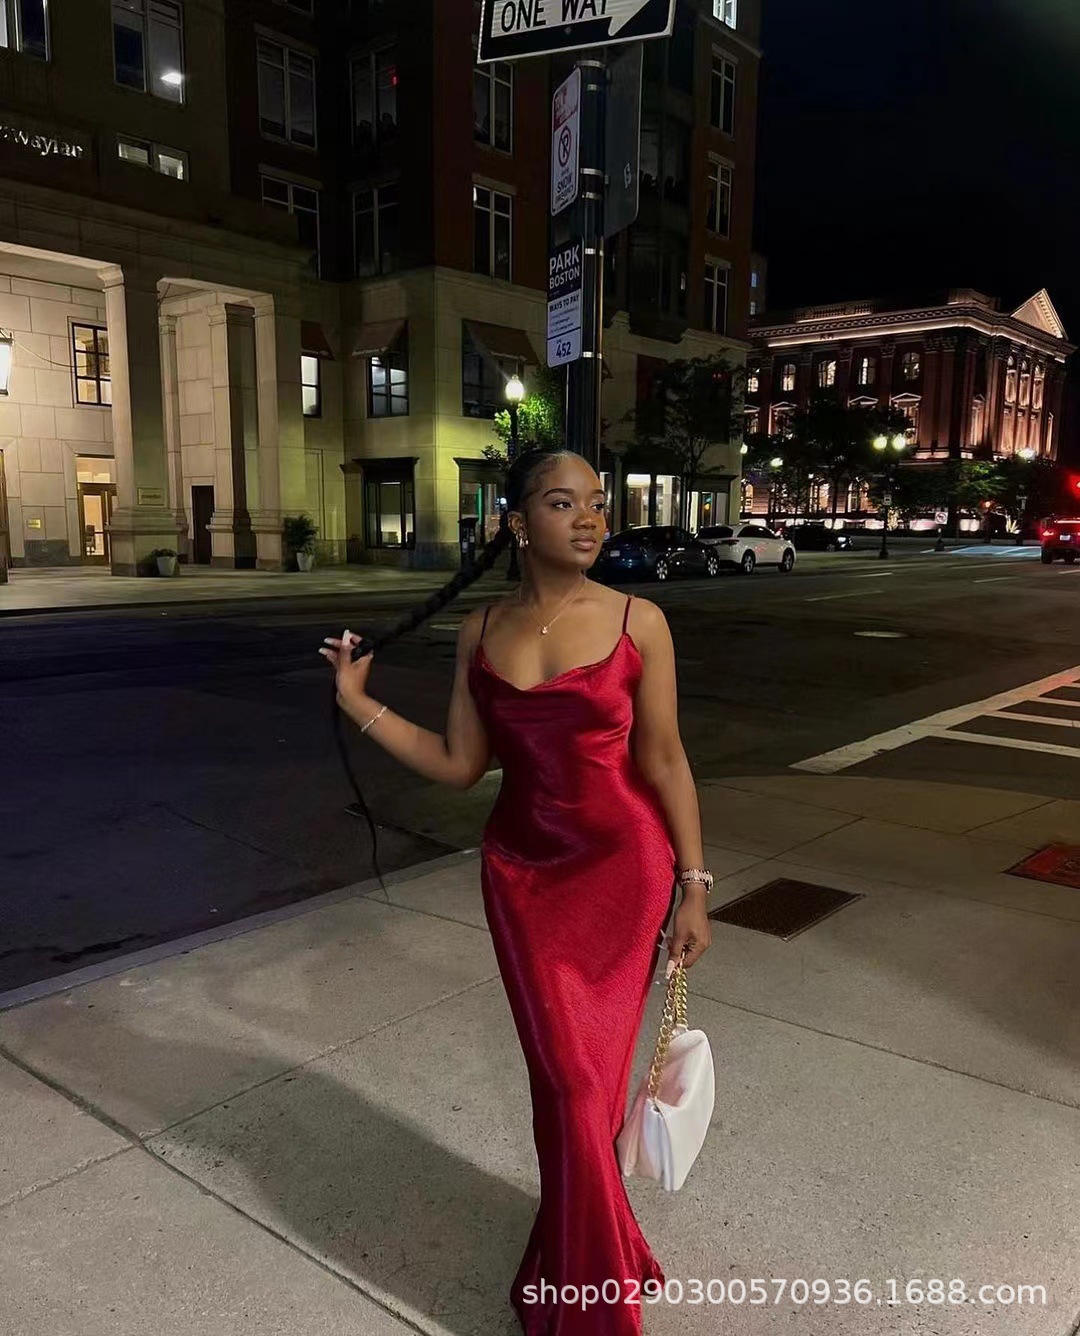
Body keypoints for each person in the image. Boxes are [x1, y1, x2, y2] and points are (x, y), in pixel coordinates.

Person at [320, 447, 713, 1335]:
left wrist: (693, 883)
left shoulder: (639, 621)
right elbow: (460, 765)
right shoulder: (480, 630)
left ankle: (586, 1286)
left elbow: (663, 758)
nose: (590, 519)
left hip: (623, 872)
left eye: (597, 503)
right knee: (564, 1088)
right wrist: (356, 703)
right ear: (516, 522)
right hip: (523, 880)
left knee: (585, 1089)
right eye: (564, 502)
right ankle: (594, 1260)